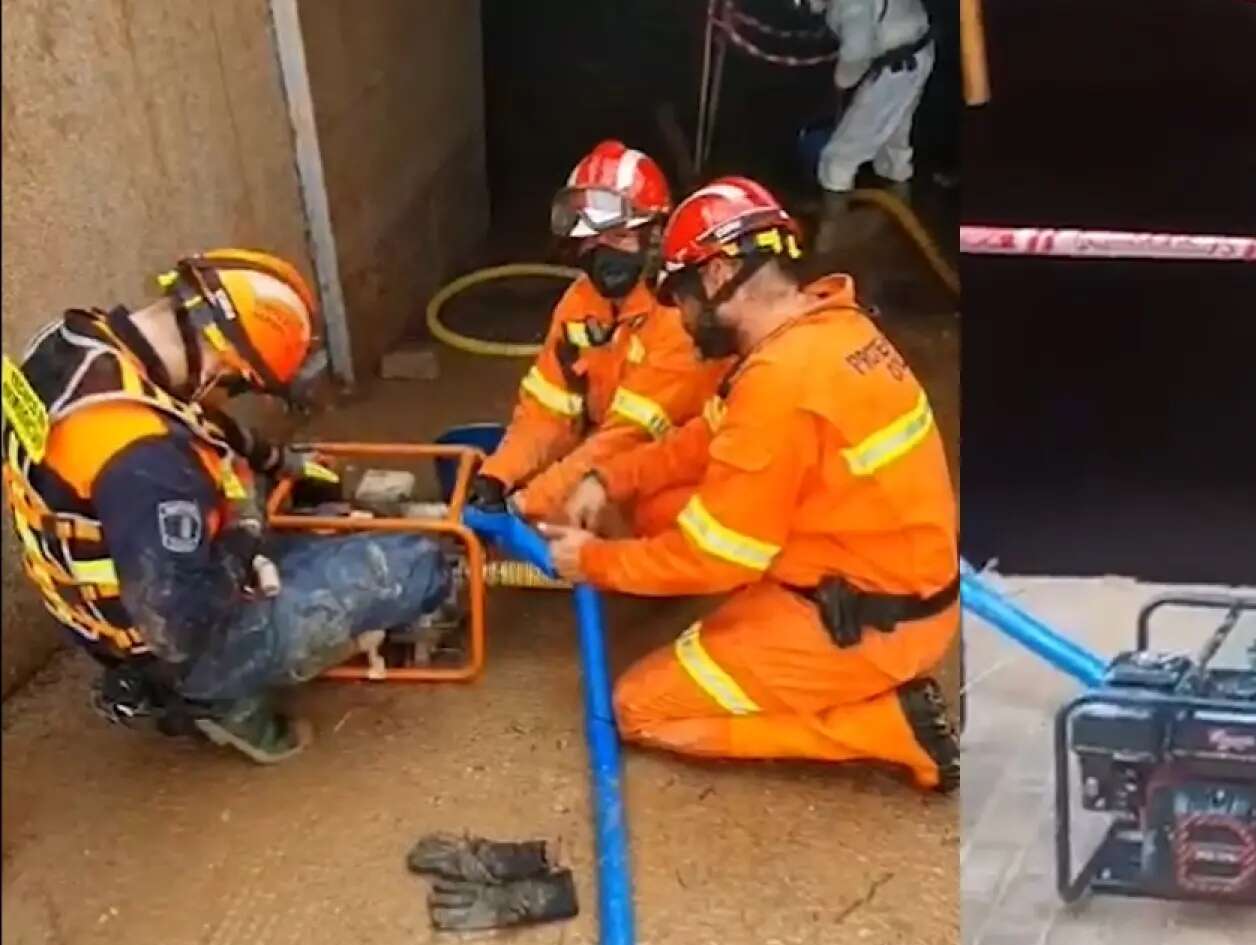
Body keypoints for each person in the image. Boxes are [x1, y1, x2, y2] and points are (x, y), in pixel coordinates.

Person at [536, 177, 962, 792]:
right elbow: (702, 442)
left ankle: (890, 730)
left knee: (638, 707)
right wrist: (609, 476)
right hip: (866, 576)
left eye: (680, 293)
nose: (680, 316)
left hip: (863, 622)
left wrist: (595, 561)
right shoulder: (824, 326)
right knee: (664, 506)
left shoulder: (781, 382)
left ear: (716, 279)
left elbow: (716, 557)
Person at [2, 249, 453, 763]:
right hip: (173, 644)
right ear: (217, 361)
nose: (229, 396)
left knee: (322, 532)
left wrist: (279, 462)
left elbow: (188, 413)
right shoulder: (149, 462)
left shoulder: (76, 347)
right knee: (415, 562)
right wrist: (247, 539)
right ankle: (214, 698)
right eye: (238, 385)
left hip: (104, 607)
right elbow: (181, 625)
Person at [467, 139, 727, 531]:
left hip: (694, 467)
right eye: (590, 240)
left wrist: (524, 505)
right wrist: (496, 477)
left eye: (618, 237)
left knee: (645, 516)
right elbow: (547, 410)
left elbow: (627, 439)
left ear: (655, 236)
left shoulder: (681, 315)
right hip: (616, 454)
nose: (601, 253)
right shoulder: (581, 302)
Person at [806, 0, 935, 194]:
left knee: (838, 159)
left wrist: (841, 82)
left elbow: (857, 52)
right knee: (893, 148)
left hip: (893, 67)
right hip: (917, 51)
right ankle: (899, 200)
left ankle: (834, 216)